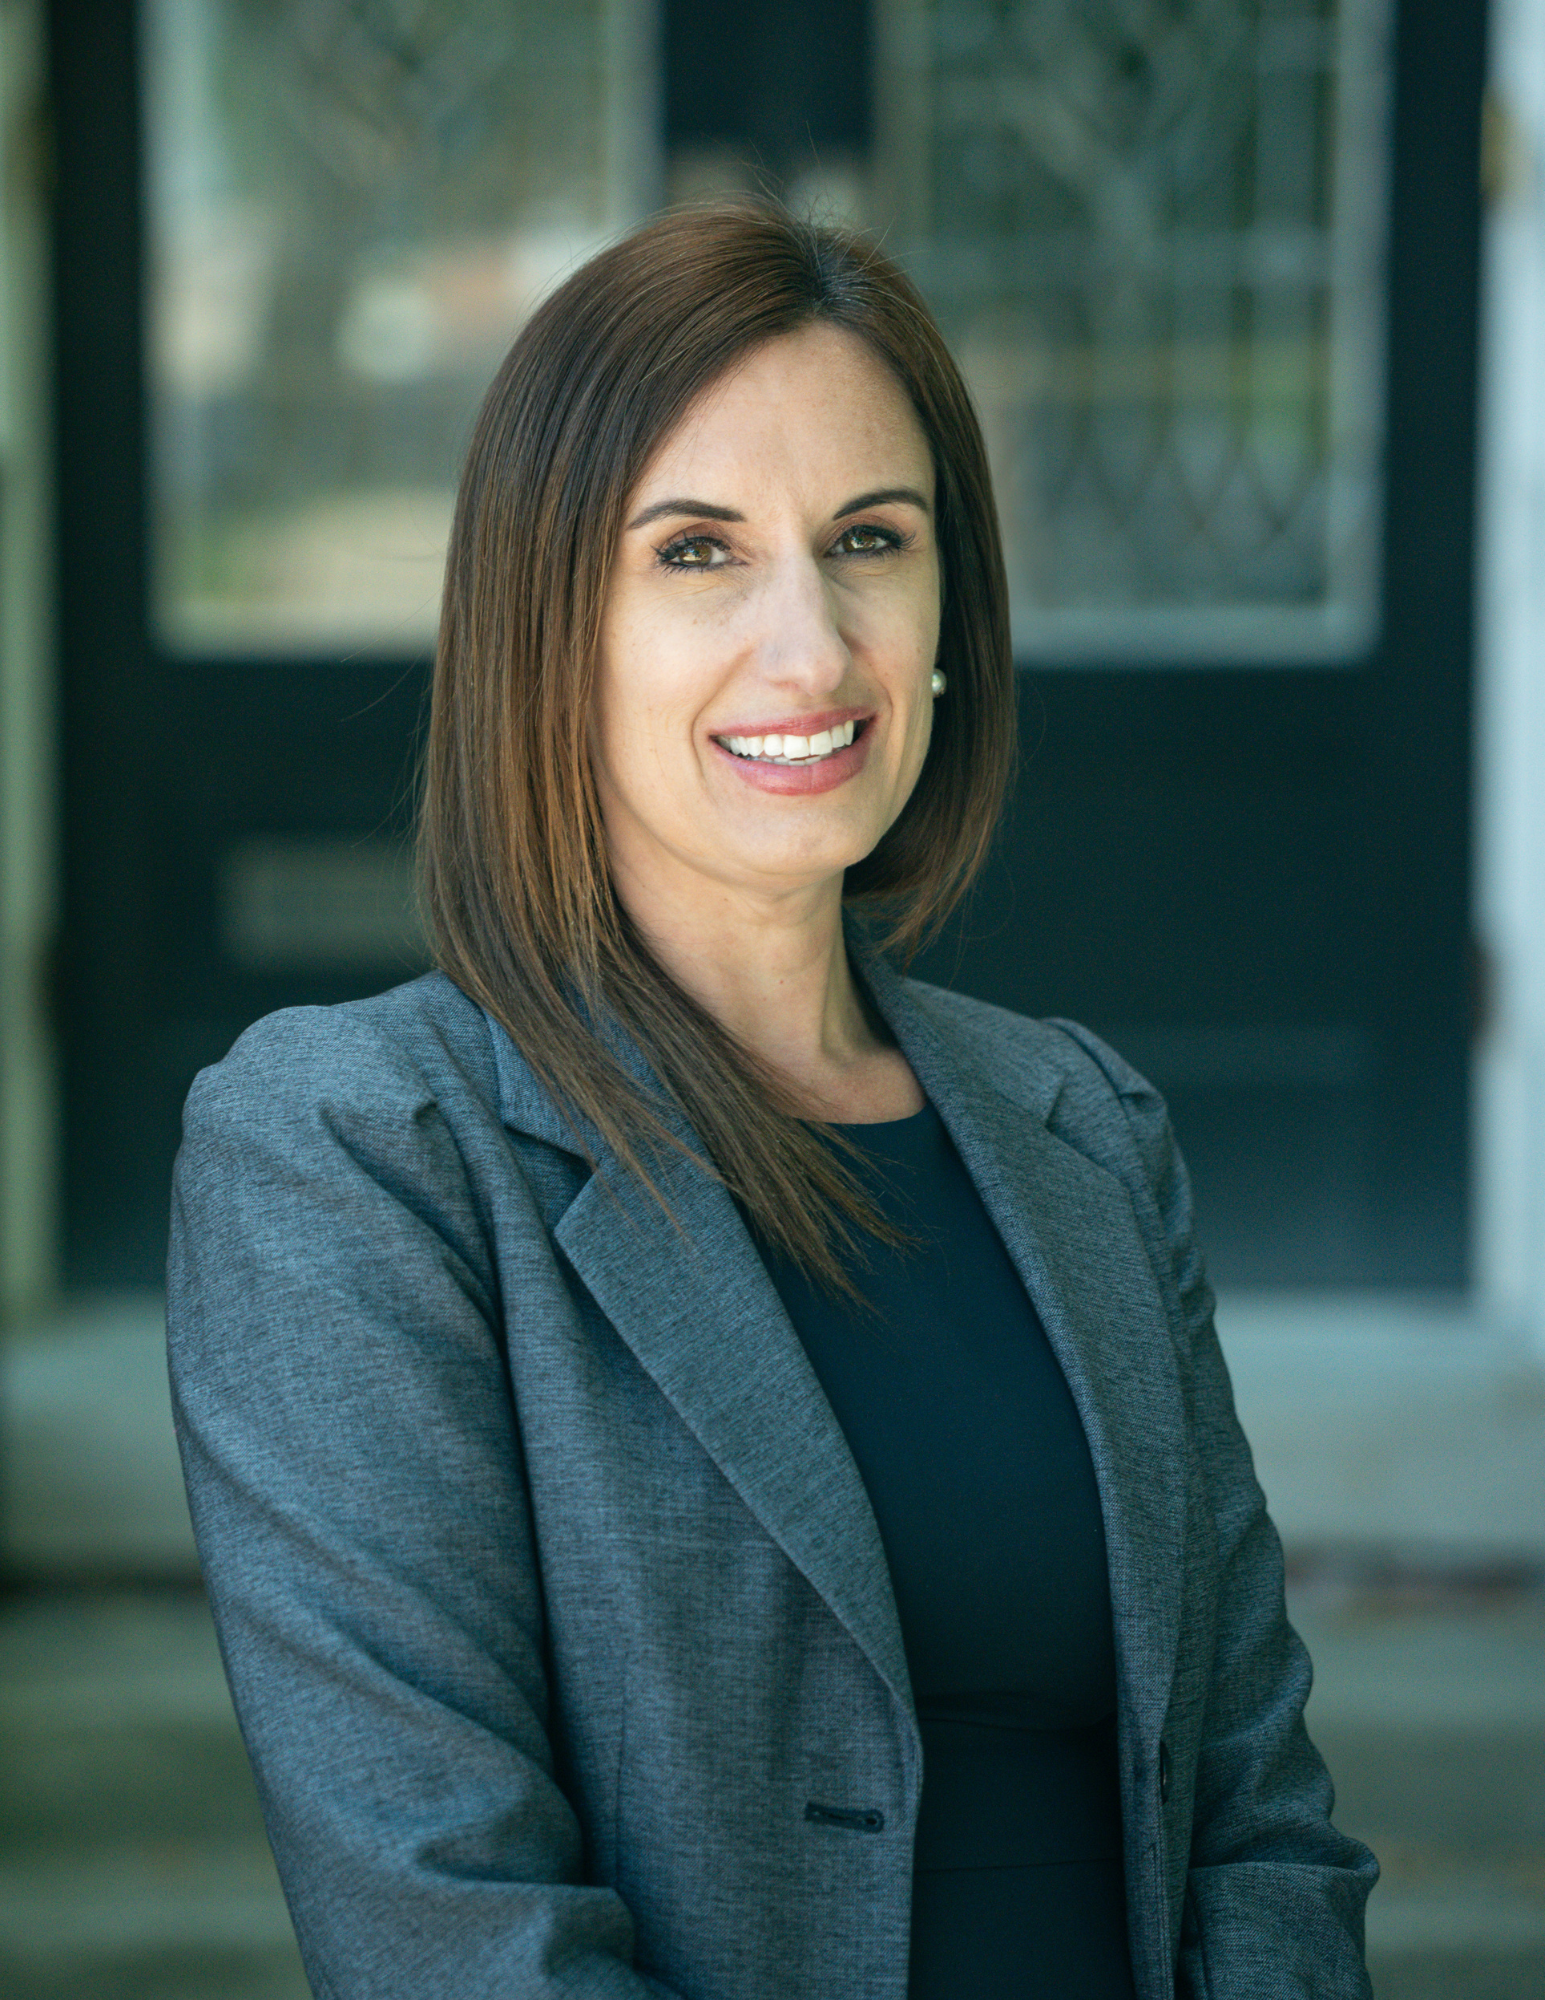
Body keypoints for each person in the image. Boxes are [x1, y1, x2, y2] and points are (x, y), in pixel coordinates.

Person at [167, 202, 1377, 2000]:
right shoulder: (361, 1151)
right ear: (549, 627)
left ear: (951, 604)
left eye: (868, 540)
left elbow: (1263, 1824)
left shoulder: (1085, 1124)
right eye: (698, 553)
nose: (809, 651)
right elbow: (447, 1924)